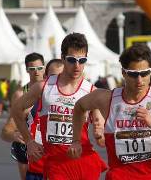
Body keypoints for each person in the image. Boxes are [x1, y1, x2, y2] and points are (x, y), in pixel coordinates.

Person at [68, 43, 151, 180]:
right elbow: (79, 107)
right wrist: (76, 140)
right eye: (133, 74)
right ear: (123, 73)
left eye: (144, 73)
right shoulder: (106, 98)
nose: (140, 80)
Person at [12, 33, 107, 180]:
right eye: (71, 60)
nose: (77, 66)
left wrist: (100, 131)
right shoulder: (44, 87)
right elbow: (16, 109)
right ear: (63, 58)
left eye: (82, 60)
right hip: (57, 164)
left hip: (85, 162)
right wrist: (29, 141)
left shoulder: (90, 91)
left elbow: (102, 122)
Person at [1, 52, 45, 180]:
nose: (36, 72)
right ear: (27, 70)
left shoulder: (53, 90)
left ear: (44, 68)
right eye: (32, 69)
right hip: (27, 149)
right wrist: (13, 135)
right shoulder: (20, 94)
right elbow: (7, 130)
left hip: (50, 146)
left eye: (39, 68)